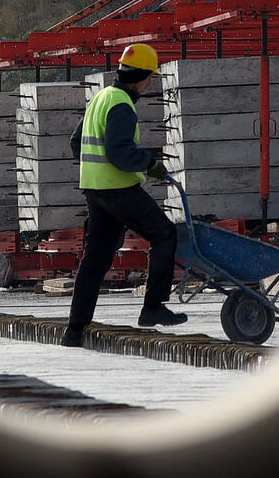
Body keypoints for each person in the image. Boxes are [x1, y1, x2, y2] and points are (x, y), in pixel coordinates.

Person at [61, 43, 186, 348]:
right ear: (141, 77)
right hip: (118, 189)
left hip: (95, 190)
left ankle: (74, 330)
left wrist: (94, 170)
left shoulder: (102, 97)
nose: (149, 83)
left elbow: (76, 143)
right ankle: (153, 307)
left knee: (96, 259)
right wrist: (150, 163)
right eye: (150, 78)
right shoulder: (122, 105)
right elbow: (120, 153)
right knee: (165, 234)